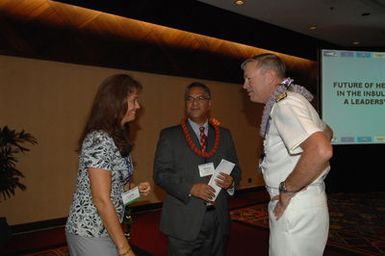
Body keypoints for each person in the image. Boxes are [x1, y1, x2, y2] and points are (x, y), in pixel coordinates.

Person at [241, 53, 333, 256]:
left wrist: (287, 189)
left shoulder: (285, 103)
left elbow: (321, 150)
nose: (245, 85)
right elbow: (328, 133)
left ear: (269, 76)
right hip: (305, 201)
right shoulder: (294, 99)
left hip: (294, 204)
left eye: (249, 78)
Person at [65, 74, 151, 256]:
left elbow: (116, 191)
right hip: (90, 230)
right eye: (134, 100)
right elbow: (101, 199)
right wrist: (124, 248)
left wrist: (134, 191)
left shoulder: (116, 137)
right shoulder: (99, 139)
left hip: (106, 228)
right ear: (117, 102)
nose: (138, 106)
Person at [153, 82, 241, 256]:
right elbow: (160, 174)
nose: (194, 103)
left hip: (217, 219)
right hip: (184, 220)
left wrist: (231, 182)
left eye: (200, 98)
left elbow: (236, 169)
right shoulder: (170, 136)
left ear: (210, 104)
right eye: (190, 99)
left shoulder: (224, 135)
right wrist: (191, 188)